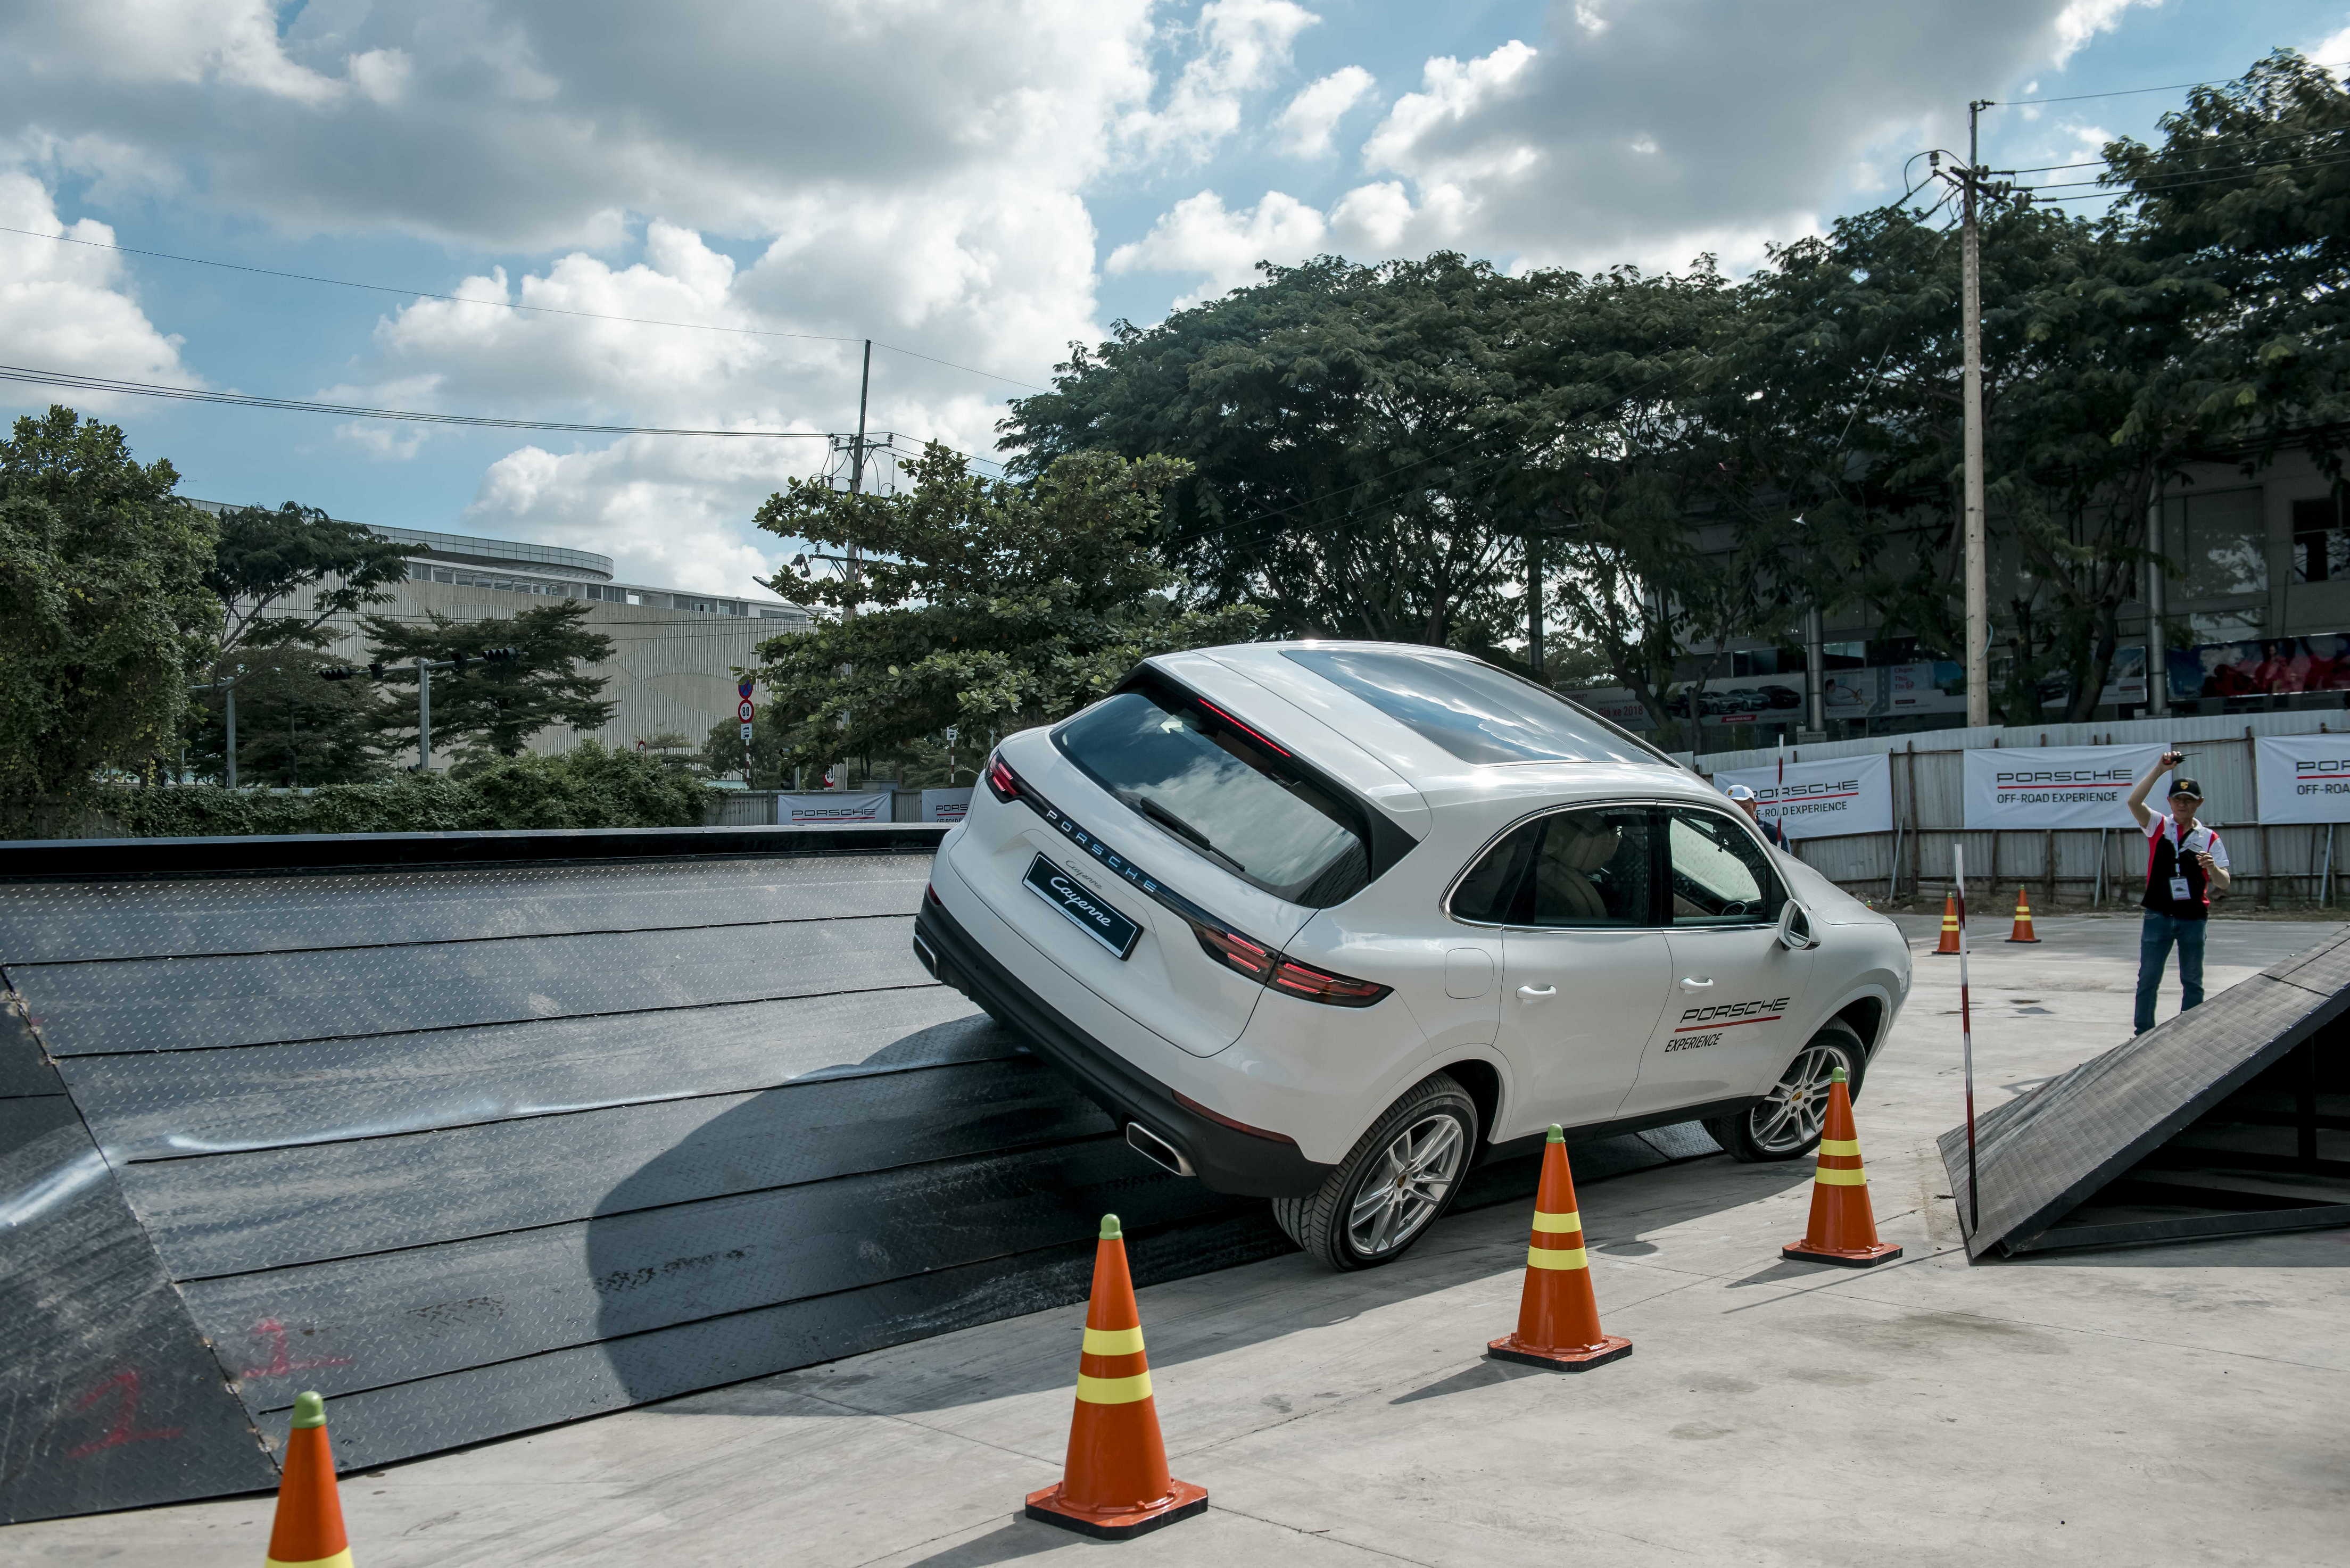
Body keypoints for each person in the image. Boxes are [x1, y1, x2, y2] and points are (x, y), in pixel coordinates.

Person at [2125, 752, 2231, 1034]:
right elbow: (2133, 802)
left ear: (2199, 804)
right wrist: (2160, 770)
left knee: (2193, 980)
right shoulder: (2158, 825)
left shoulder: (2209, 838)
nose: (2183, 805)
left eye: (2189, 801)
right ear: (2170, 802)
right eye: (2177, 800)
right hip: (2158, 914)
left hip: (2193, 918)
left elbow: (2224, 883)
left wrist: (2213, 869)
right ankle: (2143, 1032)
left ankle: (2190, 1033)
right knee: (2148, 978)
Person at [1724, 783, 1787, 848]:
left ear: (1754, 806)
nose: (1739, 811)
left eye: (1745, 807)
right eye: (1734, 807)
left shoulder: (1774, 835)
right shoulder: (1720, 832)